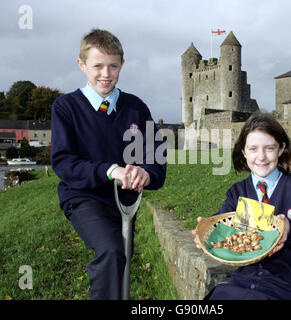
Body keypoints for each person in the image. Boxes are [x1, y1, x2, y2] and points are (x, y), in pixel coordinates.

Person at [51, 29, 166, 300]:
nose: (106, 73)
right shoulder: (66, 107)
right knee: (110, 251)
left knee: (122, 257)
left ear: (122, 65)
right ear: (81, 65)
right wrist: (109, 169)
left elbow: (156, 160)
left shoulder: (136, 108)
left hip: (124, 201)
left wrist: (145, 173)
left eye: (113, 66)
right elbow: (64, 162)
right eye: (97, 66)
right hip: (83, 197)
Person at [192, 112, 291, 300]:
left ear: (281, 149)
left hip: (285, 288)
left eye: (269, 148)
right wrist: (206, 234)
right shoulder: (237, 193)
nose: (261, 157)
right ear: (243, 152)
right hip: (241, 284)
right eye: (253, 149)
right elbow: (223, 226)